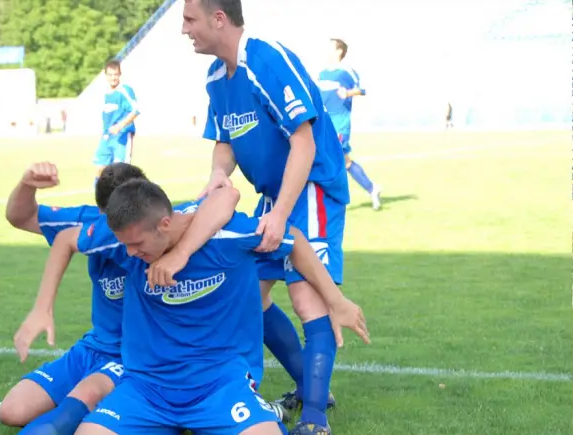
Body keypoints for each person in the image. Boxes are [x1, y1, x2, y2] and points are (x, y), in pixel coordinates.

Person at [74, 179, 368, 435]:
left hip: (220, 386)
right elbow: (60, 236)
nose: (129, 253)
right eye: (125, 244)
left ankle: (262, 411)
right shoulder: (122, 244)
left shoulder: (227, 235)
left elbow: (293, 239)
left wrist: (336, 300)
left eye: (137, 244)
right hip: (145, 388)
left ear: (165, 224)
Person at [181, 1, 354, 432]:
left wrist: (279, 215)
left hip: (310, 184)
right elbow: (224, 140)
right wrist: (218, 175)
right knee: (248, 298)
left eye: (189, 20)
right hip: (275, 193)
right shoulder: (216, 78)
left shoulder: (266, 58)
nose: (185, 30)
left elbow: (305, 142)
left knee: (304, 294)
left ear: (218, 19)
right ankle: (312, 387)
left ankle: (314, 418)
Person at [0, 162, 242, 434]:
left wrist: (182, 253)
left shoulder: (162, 223)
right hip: (95, 346)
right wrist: (27, 183)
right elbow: (22, 217)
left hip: (137, 356)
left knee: (76, 406)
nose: (128, 245)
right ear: (103, 214)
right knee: (12, 411)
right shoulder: (93, 228)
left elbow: (225, 198)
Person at [317, 38, 381, 210]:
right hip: (323, 122)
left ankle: (331, 201)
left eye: (329, 47)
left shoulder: (347, 71)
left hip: (339, 122)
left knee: (329, 159)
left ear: (339, 51)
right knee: (344, 162)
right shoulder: (322, 73)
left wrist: (349, 92)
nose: (326, 50)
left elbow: (363, 89)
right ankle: (372, 188)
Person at [93, 59, 141, 184]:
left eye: (115, 74)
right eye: (110, 75)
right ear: (106, 75)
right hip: (106, 137)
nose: (113, 78)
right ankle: (103, 200)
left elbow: (135, 110)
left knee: (120, 172)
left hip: (122, 136)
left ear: (120, 74)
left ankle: (124, 200)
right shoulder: (104, 93)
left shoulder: (125, 91)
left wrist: (120, 126)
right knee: (100, 169)